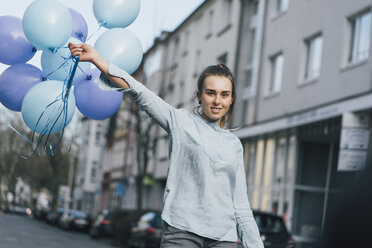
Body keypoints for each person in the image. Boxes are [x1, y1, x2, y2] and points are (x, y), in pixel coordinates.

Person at [69, 43, 264, 248]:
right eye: (210, 93)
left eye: (224, 94)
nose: (217, 101)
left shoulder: (234, 144)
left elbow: (241, 207)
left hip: (223, 238)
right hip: (182, 232)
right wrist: (97, 60)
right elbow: (140, 92)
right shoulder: (180, 122)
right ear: (199, 96)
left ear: (231, 99)